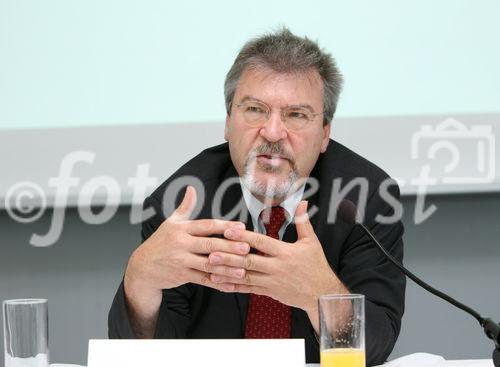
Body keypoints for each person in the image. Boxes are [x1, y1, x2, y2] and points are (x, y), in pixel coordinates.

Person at [108, 28, 405, 366]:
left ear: (325, 134)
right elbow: (147, 357)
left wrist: (321, 295)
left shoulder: (367, 200)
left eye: (296, 115)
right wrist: (139, 283)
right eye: (255, 110)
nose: (273, 132)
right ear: (227, 122)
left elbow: (377, 346)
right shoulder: (180, 204)